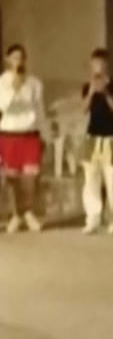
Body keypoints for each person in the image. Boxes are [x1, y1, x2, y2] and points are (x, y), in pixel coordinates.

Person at [0, 43, 45, 233]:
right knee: (12, 177)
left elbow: (39, 110)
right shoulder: (2, 82)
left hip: (30, 133)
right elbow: (4, 106)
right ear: (8, 60)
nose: (18, 61)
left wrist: (45, 134)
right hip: (10, 133)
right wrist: (15, 87)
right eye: (14, 58)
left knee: (30, 177)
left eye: (21, 58)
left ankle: (28, 211)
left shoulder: (35, 83)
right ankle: (15, 214)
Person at [81, 47, 113, 235]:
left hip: (112, 137)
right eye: (95, 64)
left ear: (107, 65)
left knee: (111, 180)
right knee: (91, 179)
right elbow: (83, 110)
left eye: (102, 64)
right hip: (92, 137)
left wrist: (105, 92)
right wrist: (91, 92)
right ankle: (93, 218)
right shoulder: (86, 86)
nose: (98, 67)